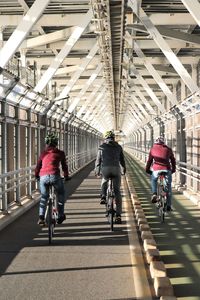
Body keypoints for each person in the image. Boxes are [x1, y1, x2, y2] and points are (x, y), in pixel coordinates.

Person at [35, 132, 70, 225]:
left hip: (43, 177)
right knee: (61, 193)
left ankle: (41, 217)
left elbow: (38, 166)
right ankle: (60, 215)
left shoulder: (43, 153)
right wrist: (66, 176)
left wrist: (36, 175)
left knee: (44, 197)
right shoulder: (60, 153)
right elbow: (64, 167)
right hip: (55, 176)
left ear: (46, 143)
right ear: (56, 143)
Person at [95, 130, 126, 224]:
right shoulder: (118, 147)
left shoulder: (101, 147)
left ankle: (103, 196)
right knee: (117, 192)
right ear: (114, 138)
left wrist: (97, 171)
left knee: (104, 180)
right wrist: (124, 169)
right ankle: (118, 215)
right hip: (116, 169)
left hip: (105, 169)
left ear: (106, 138)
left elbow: (98, 161)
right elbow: (122, 160)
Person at [145, 136, 176, 211]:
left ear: (155, 142)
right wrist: (173, 169)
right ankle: (169, 205)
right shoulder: (168, 149)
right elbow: (173, 160)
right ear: (163, 142)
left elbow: (149, 161)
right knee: (168, 187)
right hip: (166, 169)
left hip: (156, 169)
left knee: (154, 180)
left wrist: (147, 170)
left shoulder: (153, 149)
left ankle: (154, 193)